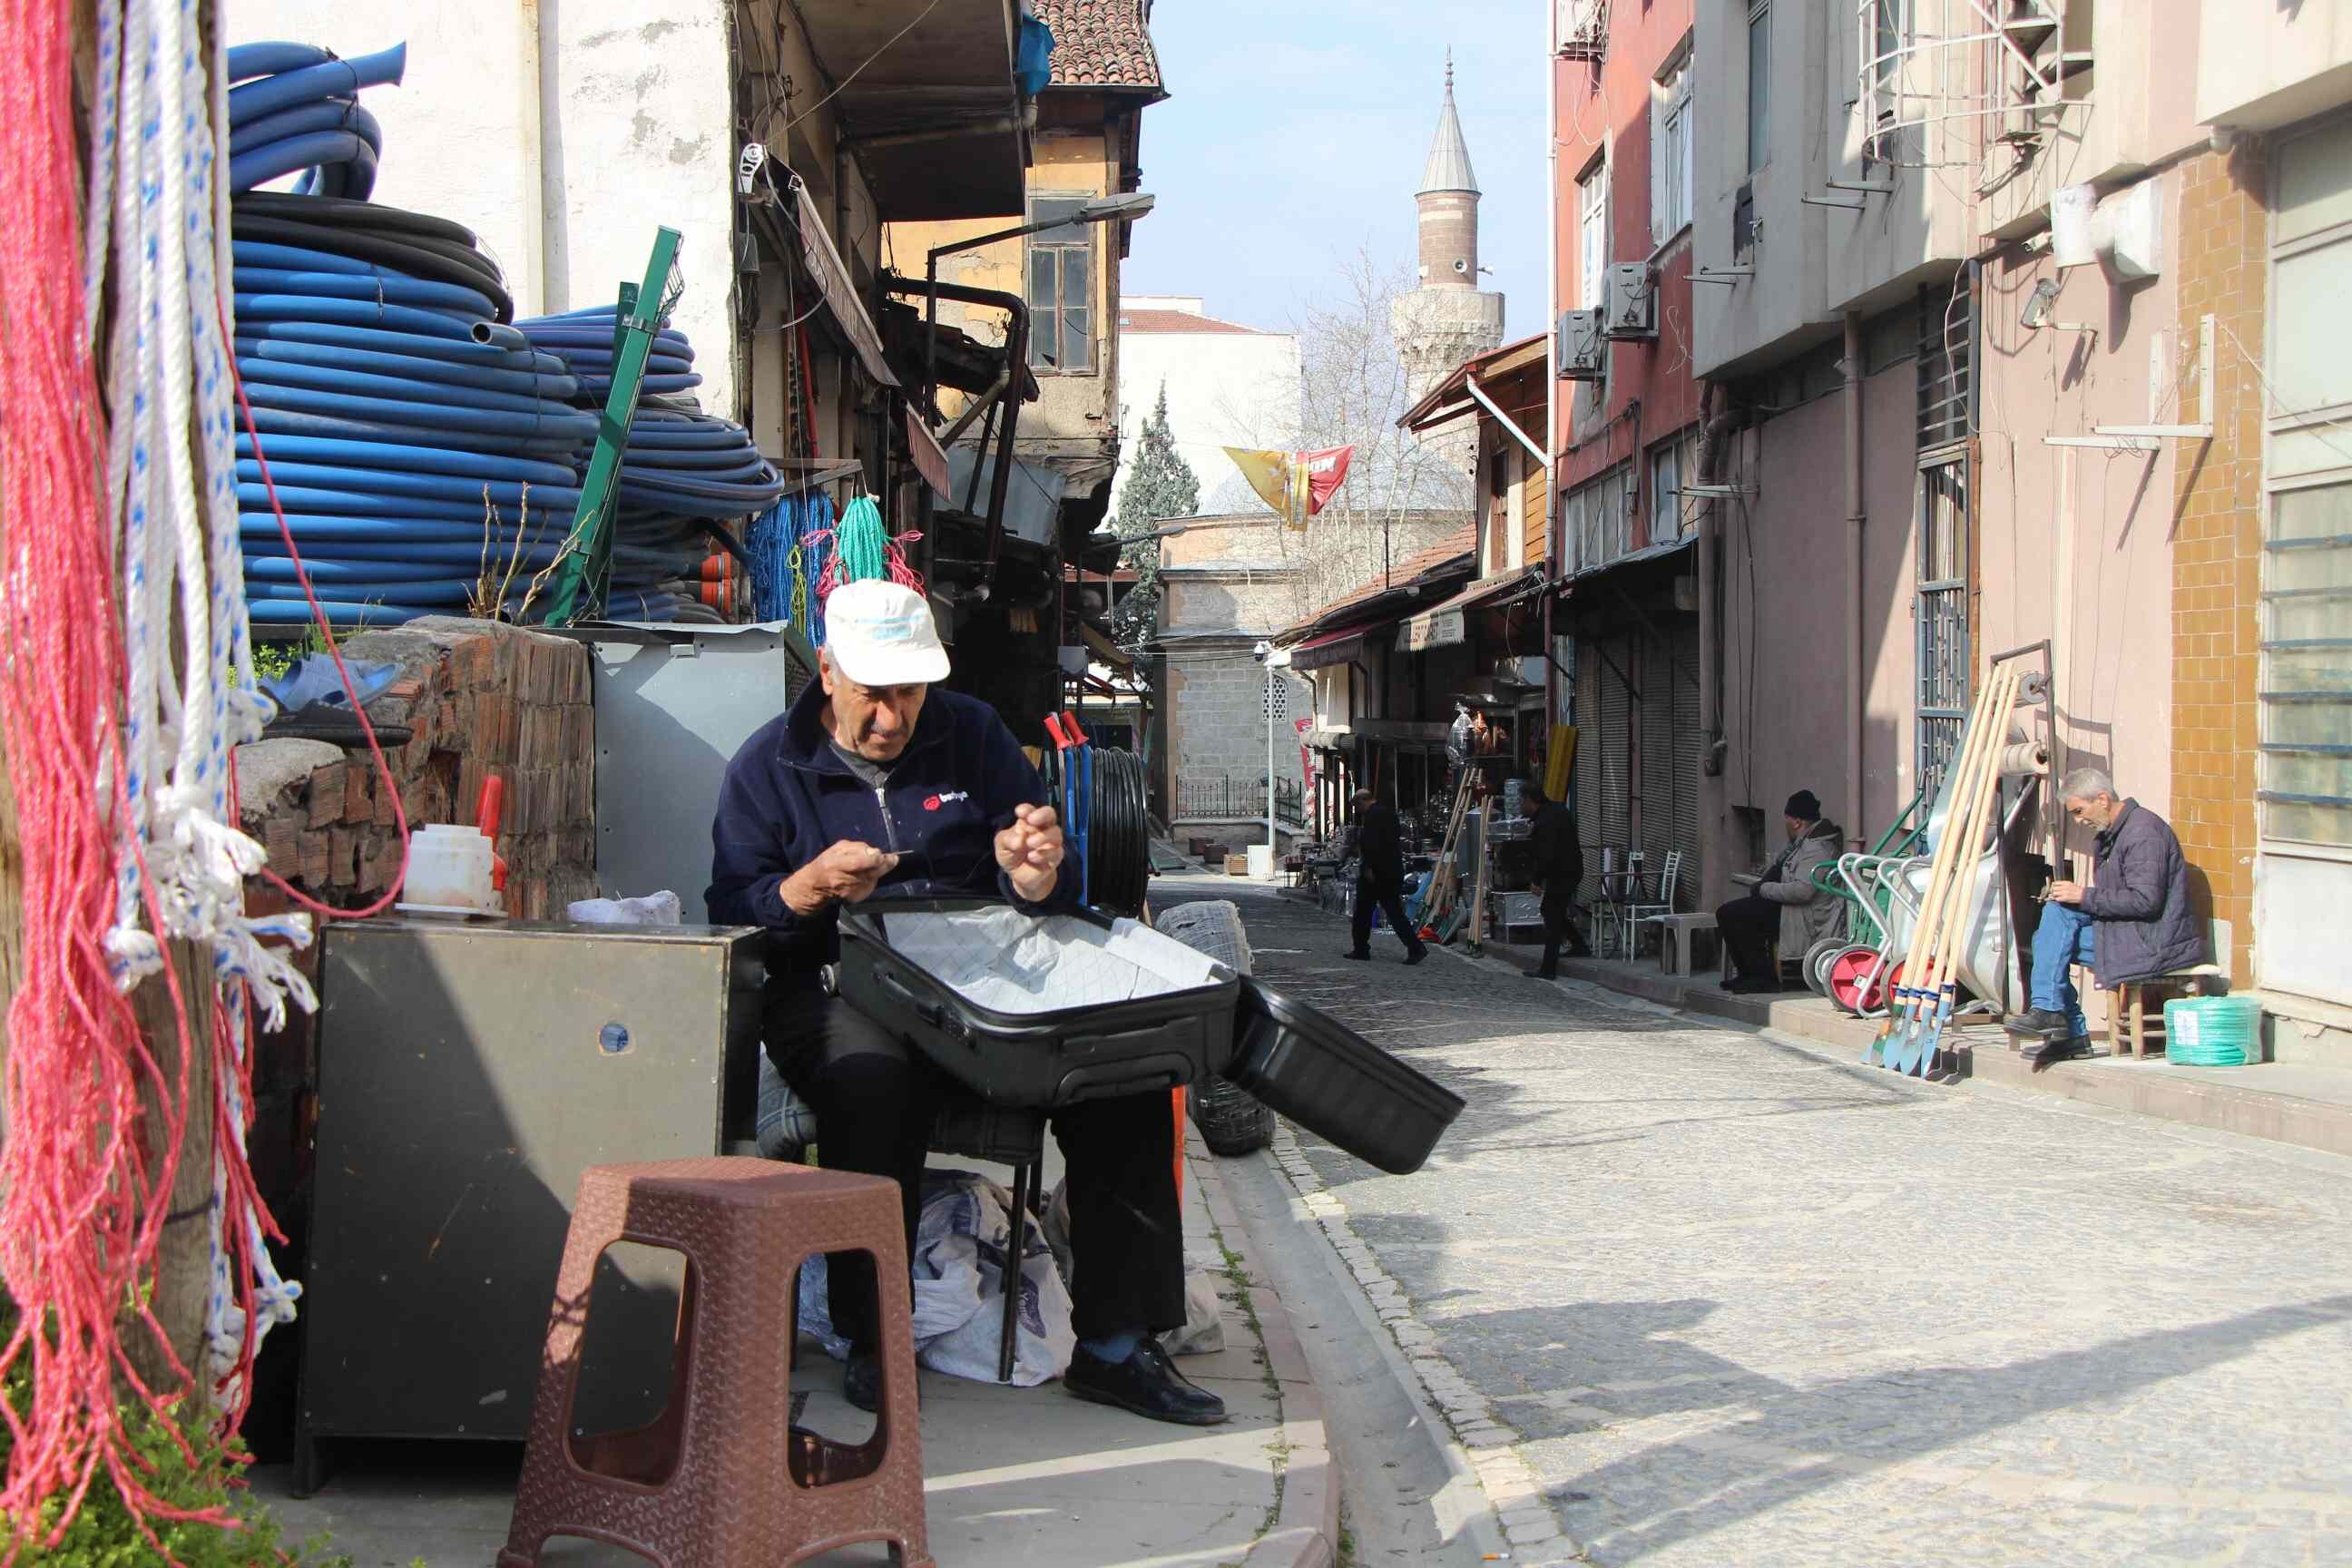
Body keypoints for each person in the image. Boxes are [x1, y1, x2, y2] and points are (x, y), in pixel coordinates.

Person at [707, 581, 1223, 1427]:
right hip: (839, 982)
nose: (891, 718)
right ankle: (874, 1332)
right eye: (872, 695)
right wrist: (805, 889)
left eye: (909, 693)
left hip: (982, 979)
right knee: (869, 1081)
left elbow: (1046, 872)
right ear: (828, 672)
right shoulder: (768, 767)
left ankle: (1116, 1346)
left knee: (1122, 1072)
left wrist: (1034, 873)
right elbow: (732, 908)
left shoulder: (973, 734)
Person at [2009, 768, 2206, 1062]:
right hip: (2129, 931)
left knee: (2049, 943)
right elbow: (2114, 898)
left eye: (2079, 811)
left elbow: (2146, 902)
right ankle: (2051, 1014)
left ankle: (2067, 1029)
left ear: (2102, 799)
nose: (2078, 821)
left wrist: (2083, 896)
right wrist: (2074, 898)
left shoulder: (2143, 834)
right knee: (2056, 916)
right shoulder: (2112, 834)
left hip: (2156, 942)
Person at [1714, 790, 1844, 993]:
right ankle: (1749, 975)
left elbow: (1803, 891)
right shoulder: (1803, 843)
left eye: (1787, 819)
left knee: (1736, 915)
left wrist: (1764, 889)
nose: (1785, 824)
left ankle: (1762, 977)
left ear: (1797, 822)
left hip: (1804, 917)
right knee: (1729, 913)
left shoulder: (1817, 849)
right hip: (1792, 910)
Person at [1344, 787, 1428, 965]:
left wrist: (1368, 868)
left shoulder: (1373, 816)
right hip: (1391, 870)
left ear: (1362, 801)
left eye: (1357, 807)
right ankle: (1414, 947)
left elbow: (1372, 845)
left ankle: (1362, 948)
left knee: (1364, 913)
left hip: (1376, 873)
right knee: (1394, 913)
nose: (1358, 811)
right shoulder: (1389, 813)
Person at [1520, 782, 1588, 977]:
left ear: (1530, 800)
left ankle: (1548, 968)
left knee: (1552, 914)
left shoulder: (1545, 822)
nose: (1520, 806)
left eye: (1522, 801)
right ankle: (1579, 944)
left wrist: (1536, 880)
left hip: (1563, 873)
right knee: (1552, 910)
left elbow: (1546, 855)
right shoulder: (1556, 809)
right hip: (1570, 870)